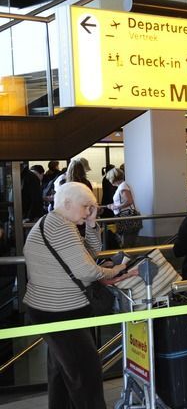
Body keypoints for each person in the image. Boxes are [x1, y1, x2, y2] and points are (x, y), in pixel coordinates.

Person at [23, 182, 131, 409]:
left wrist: (91, 224)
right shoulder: (60, 227)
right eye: (85, 207)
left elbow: (89, 255)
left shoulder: (57, 223)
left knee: (62, 372)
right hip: (59, 312)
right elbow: (87, 269)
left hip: (50, 309)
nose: (88, 211)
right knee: (85, 374)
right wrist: (115, 270)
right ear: (67, 203)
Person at [105, 168, 139, 247]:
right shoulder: (123, 185)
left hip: (126, 218)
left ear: (113, 178)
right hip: (127, 218)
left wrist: (115, 207)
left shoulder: (122, 187)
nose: (109, 181)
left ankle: (128, 259)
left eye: (109, 179)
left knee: (126, 244)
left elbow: (129, 201)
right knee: (127, 243)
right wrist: (114, 205)